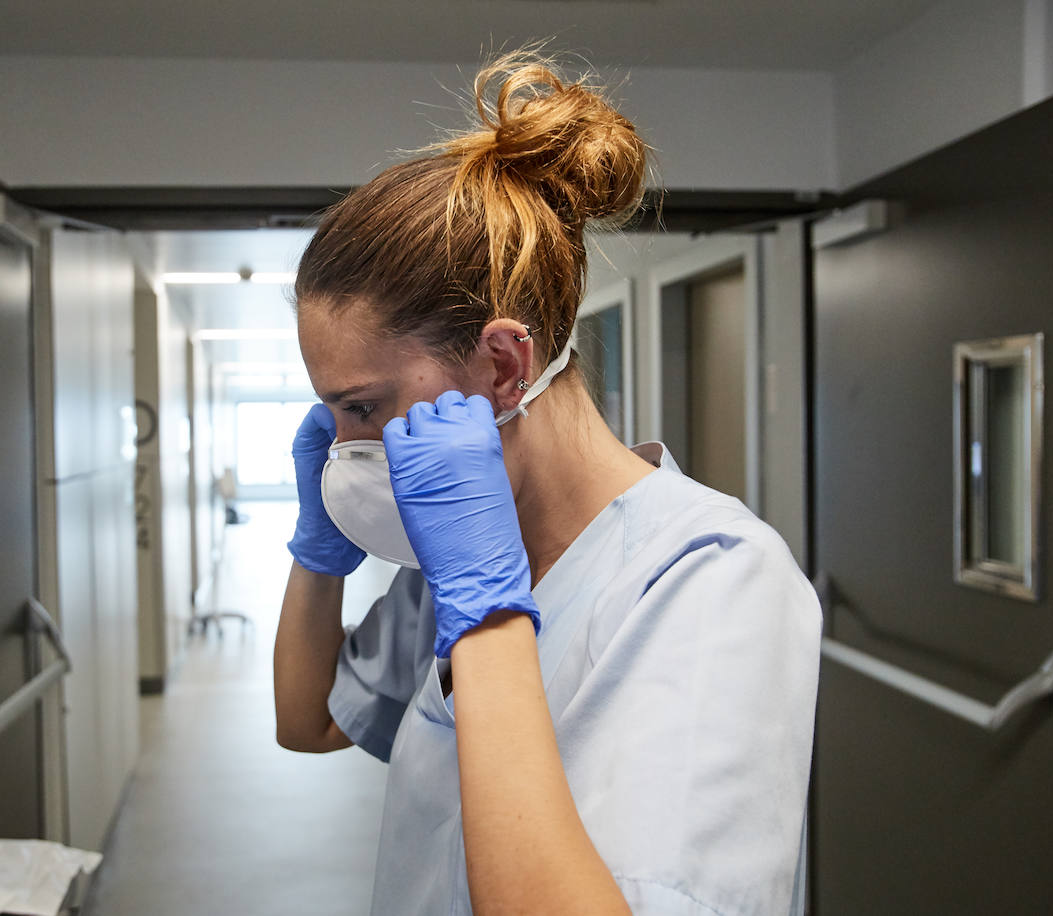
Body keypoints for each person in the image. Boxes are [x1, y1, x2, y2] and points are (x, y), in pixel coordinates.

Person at [272, 52, 821, 916]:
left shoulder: (711, 580)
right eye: (332, 414)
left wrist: (490, 619)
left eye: (364, 408)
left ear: (501, 365)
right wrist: (320, 549)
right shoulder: (469, 561)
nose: (345, 446)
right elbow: (308, 722)